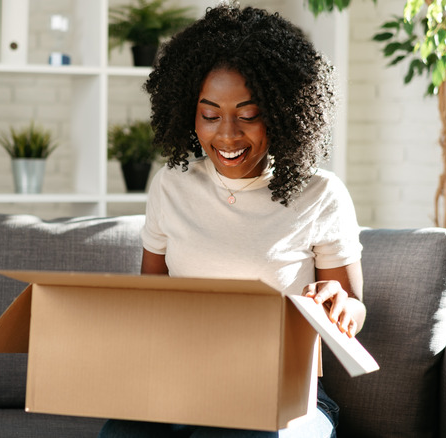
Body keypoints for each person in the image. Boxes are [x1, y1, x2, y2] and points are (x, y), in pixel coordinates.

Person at [99, 3, 364, 437]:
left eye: (247, 115)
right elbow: (151, 297)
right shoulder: (171, 185)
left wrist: (341, 305)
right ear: (188, 111)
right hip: (183, 386)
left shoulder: (320, 194)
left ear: (281, 112)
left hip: (284, 392)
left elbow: (354, 309)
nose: (226, 135)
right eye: (209, 115)